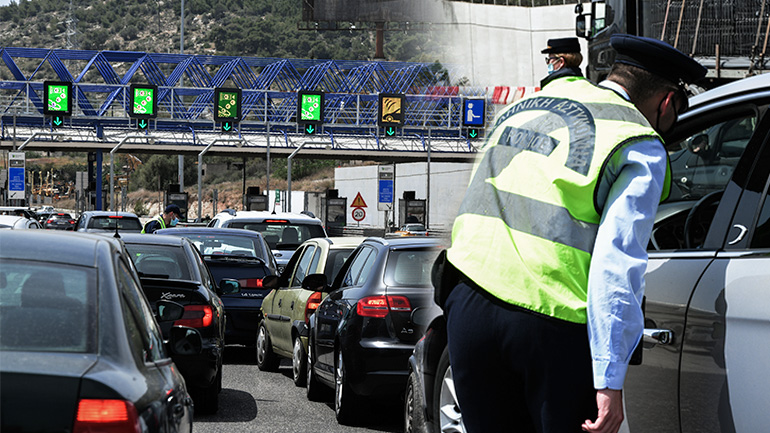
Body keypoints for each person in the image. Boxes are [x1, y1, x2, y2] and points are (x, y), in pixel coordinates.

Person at [442, 34, 706, 433]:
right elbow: (616, 264)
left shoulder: (525, 107)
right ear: (667, 102)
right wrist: (609, 380)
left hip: (468, 303)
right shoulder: (636, 140)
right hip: (550, 323)